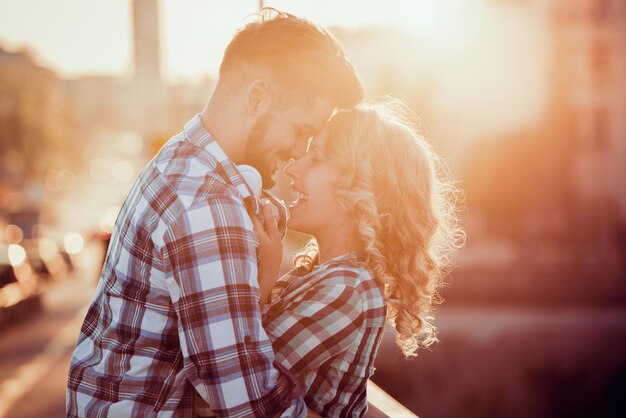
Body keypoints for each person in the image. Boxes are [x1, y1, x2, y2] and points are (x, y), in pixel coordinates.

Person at [66, 9, 362, 418]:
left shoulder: (179, 158)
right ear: (257, 98)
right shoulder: (207, 205)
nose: (298, 152)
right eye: (300, 130)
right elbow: (247, 404)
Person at [252, 100, 464, 417]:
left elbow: (242, 385)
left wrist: (265, 273)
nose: (292, 168)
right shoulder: (325, 276)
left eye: (317, 158)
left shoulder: (346, 290)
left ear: (359, 188)